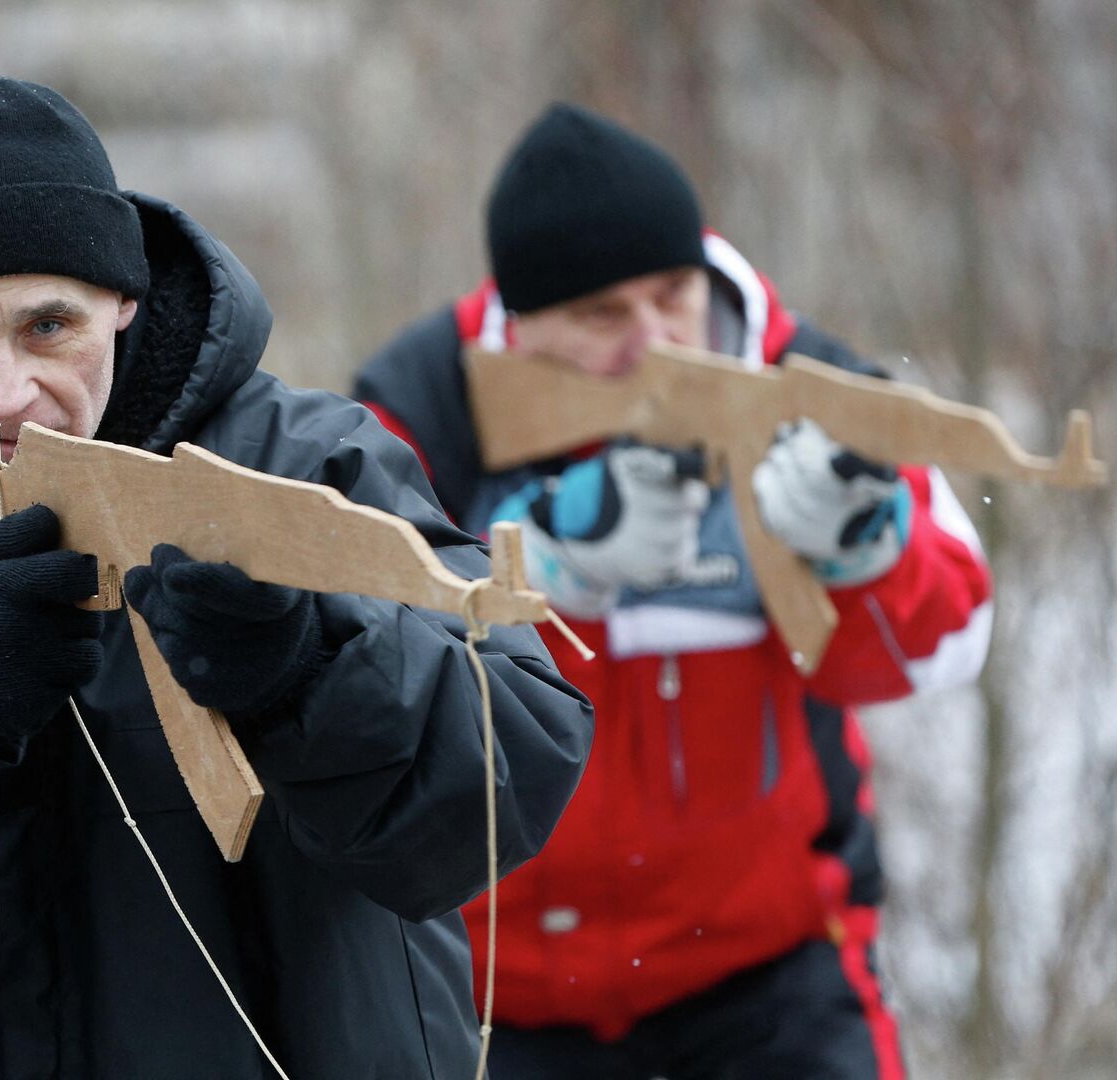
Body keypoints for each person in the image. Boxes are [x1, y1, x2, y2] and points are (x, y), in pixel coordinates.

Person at [0, 77, 594, 1078]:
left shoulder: (299, 457)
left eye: (50, 328)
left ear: (123, 301)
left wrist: (309, 667)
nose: (7, 394)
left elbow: (510, 758)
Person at [355, 102, 994, 1078]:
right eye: (603, 316)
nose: (652, 342)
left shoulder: (806, 383)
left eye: (672, 294)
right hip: (498, 986)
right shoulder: (423, 407)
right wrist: (538, 569)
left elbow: (951, 641)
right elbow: (348, 659)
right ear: (522, 327)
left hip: (771, 974)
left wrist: (865, 551)